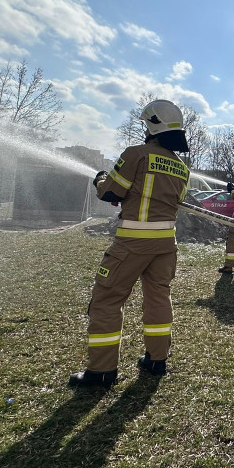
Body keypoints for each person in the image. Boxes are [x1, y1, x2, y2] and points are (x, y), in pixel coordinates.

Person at [69, 99, 191, 388]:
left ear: (151, 125)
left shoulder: (136, 154)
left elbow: (111, 191)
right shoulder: (181, 167)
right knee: (159, 298)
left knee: (107, 300)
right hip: (166, 245)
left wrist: (101, 179)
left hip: (133, 242)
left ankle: (101, 371)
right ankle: (156, 360)